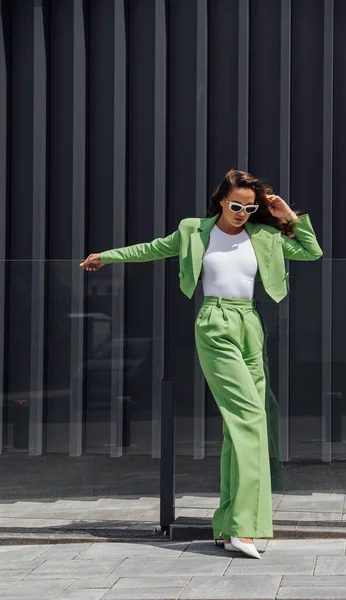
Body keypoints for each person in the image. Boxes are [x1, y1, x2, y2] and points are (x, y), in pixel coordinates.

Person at [81, 169, 323, 558]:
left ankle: (227, 525)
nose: (243, 212)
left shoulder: (264, 235)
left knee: (243, 423)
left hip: (250, 323)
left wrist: (289, 217)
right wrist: (105, 257)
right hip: (215, 323)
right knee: (249, 419)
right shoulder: (195, 231)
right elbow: (151, 248)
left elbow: (312, 251)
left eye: (251, 206)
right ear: (221, 202)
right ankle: (245, 527)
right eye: (236, 205)